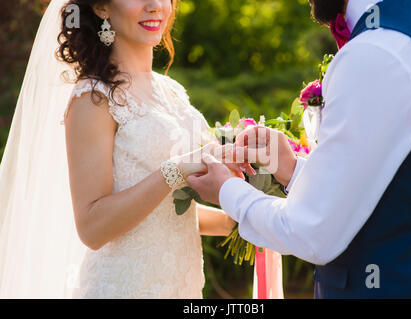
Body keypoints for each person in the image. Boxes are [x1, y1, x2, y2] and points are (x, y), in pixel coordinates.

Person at [187, 0, 411, 298]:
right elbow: (391, 190)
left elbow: (312, 232)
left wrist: (227, 190)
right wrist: (294, 169)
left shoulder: (376, 52)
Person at [0, 0, 250, 298]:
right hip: (123, 288)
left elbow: (167, 215)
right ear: (102, 8)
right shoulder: (92, 98)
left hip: (183, 289)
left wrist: (243, 219)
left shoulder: (171, 92)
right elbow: (92, 227)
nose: (155, 6)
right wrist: (174, 171)